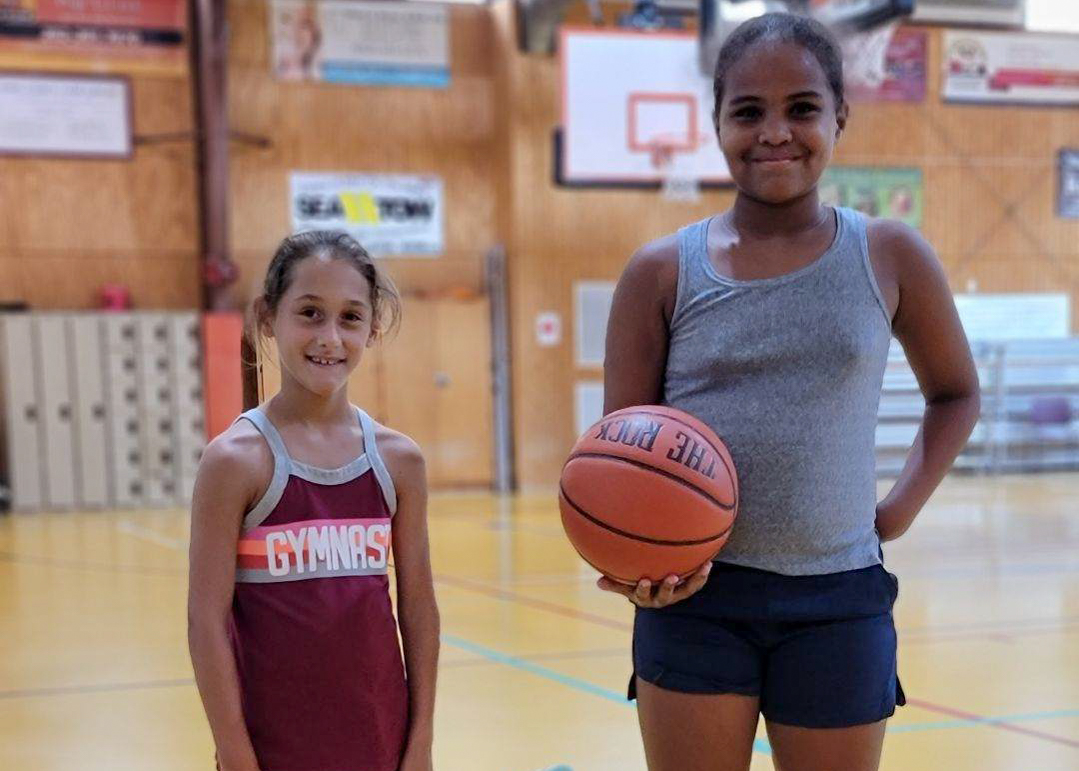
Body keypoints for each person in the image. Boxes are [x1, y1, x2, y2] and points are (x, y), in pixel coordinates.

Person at [600, 13, 980, 771]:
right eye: (747, 111)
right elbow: (619, 450)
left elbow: (955, 392)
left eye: (801, 107)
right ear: (715, 124)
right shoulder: (660, 272)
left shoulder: (889, 253)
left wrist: (897, 507)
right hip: (694, 600)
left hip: (838, 598)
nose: (774, 131)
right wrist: (631, 558)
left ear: (838, 115)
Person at [188, 231, 439, 771]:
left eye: (350, 317)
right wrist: (232, 749)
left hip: (380, 741)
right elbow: (206, 619)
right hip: (271, 748)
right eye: (310, 312)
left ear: (372, 328)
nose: (330, 336)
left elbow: (418, 610)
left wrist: (420, 742)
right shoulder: (233, 462)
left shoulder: (399, 462)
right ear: (268, 316)